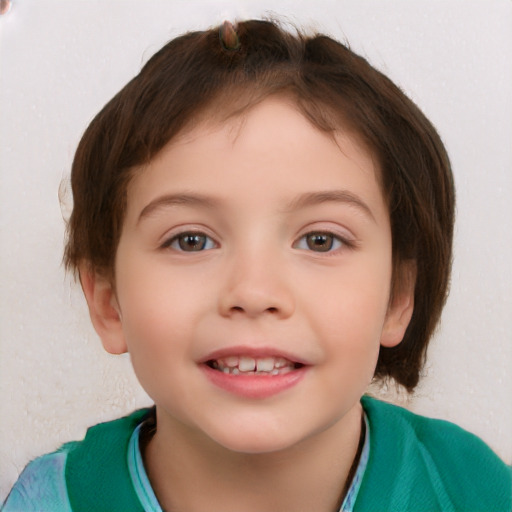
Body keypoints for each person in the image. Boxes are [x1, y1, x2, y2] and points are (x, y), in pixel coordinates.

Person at [2, 18, 510, 512]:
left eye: (320, 240)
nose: (253, 290)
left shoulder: (474, 491)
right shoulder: (51, 502)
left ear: (398, 297)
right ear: (108, 301)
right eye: (192, 240)